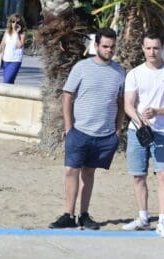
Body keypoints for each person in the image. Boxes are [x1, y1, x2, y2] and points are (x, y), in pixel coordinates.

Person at [49, 28, 124, 230]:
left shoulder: (119, 72)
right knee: (71, 171)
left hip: (104, 134)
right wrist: (69, 127)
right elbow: (67, 95)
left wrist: (118, 130)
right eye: (105, 46)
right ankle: (68, 214)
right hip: (79, 131)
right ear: (96, 45)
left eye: (112, 47)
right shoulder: (82, 67)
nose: (109, 50)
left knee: (89, 173)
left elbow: (121, 102)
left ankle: (83, 215)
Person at [122, 31, 164, 239]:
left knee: (163, 174)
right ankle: (143, 217)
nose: (152, 52)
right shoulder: (134, 74)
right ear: (143, 48)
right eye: (148, 48)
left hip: (162, 131)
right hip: (138, 131)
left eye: (156, 48)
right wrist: (139, 120)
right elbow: (128, 104)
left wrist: (158, 111)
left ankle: (162, 220)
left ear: (163, 48)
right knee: (138, 175)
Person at [0, 14, 25, 84]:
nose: (15, 24)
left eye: (17, 22)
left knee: (6, 81)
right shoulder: (7, 32)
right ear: (10, 22)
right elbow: (2, 44)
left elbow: (20, 45)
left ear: (20, 24)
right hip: (6, 59)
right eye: (13, 21)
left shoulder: (22, 34)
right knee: (9, 82)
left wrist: (16, 33)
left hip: (15, 60)